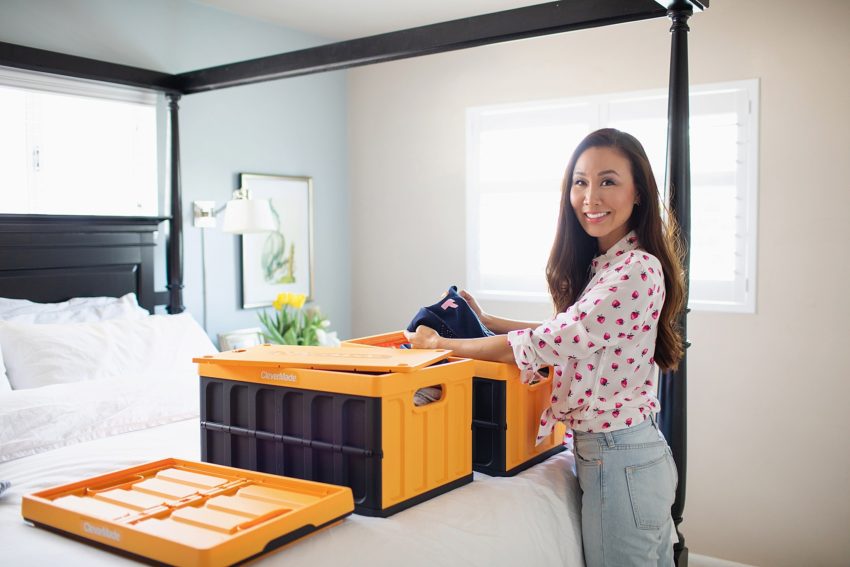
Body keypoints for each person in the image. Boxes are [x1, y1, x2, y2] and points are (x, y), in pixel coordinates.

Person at [405, 128, 685, 566]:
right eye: (580, 182)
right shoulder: (609, 265)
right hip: (612, 454)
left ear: (639, 194)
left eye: (608, 181)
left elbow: (553, 342)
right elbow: (573, 332)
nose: (590, 197)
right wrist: (488, 321)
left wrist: (442, 343)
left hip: (622, 456)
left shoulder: (637, 269)